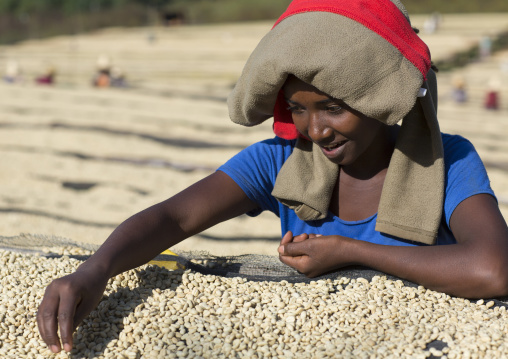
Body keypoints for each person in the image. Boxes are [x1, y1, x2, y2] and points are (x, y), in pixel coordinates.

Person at [37, 0, 508, 354]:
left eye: (333, 108)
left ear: (378, 99)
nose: (316, 130)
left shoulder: (447, 161)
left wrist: (349, 253)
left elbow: (492, 269)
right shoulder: (282, 161)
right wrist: (94, 270)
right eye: (298, 110)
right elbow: (174, 218)